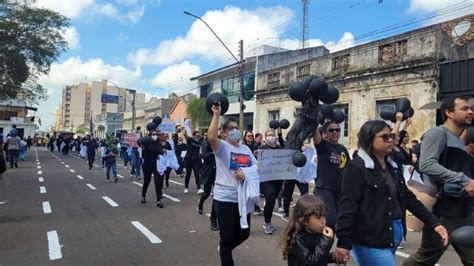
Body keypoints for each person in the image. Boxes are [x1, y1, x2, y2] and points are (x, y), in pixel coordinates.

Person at [333, 120, 449, 266]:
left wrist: (434, 223)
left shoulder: (392, 165)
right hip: (370, 239)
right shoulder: (357, 168)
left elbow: (408, 198)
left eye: (392, 136)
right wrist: (343, 242)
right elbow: (347, 206)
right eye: (385, 137)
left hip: (393, 233)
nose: (391, 141)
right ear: (369, 139)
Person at [403, 95, 474, 266]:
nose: (470, 111)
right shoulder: (438, 133)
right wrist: (463, 180)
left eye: (471, 109)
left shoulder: (458, 140)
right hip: (443, 212)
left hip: (462, 210)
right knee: (425, 258)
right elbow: (426, 164)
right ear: (448, 112)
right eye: (464, 108)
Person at [208, 104, 257, 266]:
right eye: (231, 128)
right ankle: (225, 249)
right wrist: (216, 114)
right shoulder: (222, 147)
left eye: (238, 128)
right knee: (227, 237)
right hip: (225, 197)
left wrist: (246, 172)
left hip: (243, 197)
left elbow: (257, 166)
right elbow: (211, 137)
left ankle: (224, 248)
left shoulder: (245, 149)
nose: (236, 130)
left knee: (244, 233)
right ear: (223, 132)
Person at [312, 121, 350, 229]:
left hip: (339, 189)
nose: (334, 132)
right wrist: (313, 119)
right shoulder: (323, 146)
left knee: (340, 219)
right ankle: (321, 243)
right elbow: (316, 136)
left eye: (337, 130)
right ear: (325, 133)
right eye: (331, 130)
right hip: (324, 188)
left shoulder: (342, 149)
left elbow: (349, 167)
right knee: (330, 219)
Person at [281, 195, 335, 266]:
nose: (323, 221)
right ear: (304, 221)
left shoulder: (318, 233)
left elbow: (319, 257)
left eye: (324, 216)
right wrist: (326, 241)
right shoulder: (298, 239)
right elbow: (310, 263)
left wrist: (334, 257)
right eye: (318, 217)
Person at [259, 129, 285, 234]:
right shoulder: (262, 148)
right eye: (268, 135)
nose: (271, 137)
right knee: (270, 198)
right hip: (266, 180)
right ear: (265, 138)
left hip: (277, 180)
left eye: (272, 135)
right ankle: (267, 223)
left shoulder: (281, 149)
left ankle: (268, 221)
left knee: (272, 200)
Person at [197, 128, 223, 231]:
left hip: (219, 173)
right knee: (206, 193)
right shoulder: (205, 144)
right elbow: (205, 156)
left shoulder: (221, 143)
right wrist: (215, 153)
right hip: (208, 173)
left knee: (216, 196)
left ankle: (213, 220)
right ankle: (200, 202)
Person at [141, 130, 164, 208]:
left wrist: (161, 153)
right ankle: (143, 196)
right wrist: (144, 148)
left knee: (158, 182)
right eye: (154, 134)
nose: (155, 136)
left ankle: (158, 201)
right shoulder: (146, 144)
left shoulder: (158, 143)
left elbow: (160, 152)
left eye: (156, 134)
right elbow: (144, 156)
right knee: (147, 181)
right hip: (147, 165)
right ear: (150, 135)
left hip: (156, 165)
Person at [183, 130, 203, 194]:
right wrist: (184, 131)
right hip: (188, 159)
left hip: (196, 160)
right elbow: (185, 136)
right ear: (194, 136)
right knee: (188, 174)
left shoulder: (200, 142)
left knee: (197, 174)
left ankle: (199, 188)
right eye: (197, 135)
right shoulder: (190, 140)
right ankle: (186, 187)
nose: (198, 137)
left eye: (199, 136)